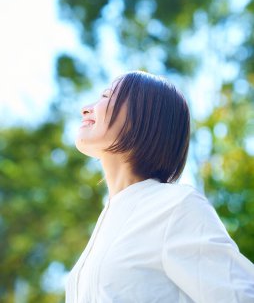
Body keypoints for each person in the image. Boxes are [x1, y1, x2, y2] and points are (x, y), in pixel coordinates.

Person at [65, 70, 254, 303]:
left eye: (106, 96)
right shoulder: (108, 219)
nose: (85, 108)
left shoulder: (176, 206)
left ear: (143, 117)